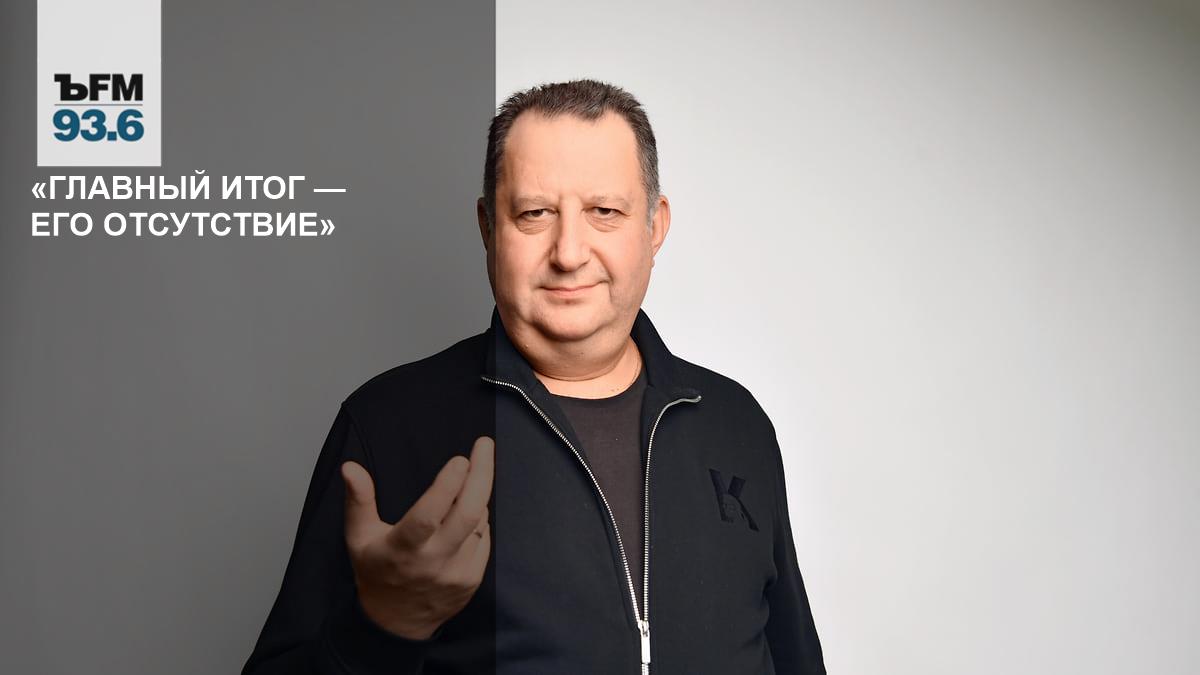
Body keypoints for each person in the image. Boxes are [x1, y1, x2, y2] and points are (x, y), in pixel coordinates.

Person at [241, 79, 826, 674]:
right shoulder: (387, 425)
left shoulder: (736, 423)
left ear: (654, 227)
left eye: (604, 212)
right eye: (534, 213)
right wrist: (381, 629)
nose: (568, 253)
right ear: (487, 227)